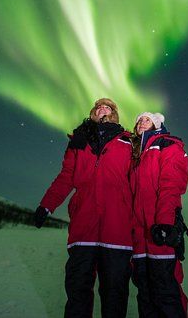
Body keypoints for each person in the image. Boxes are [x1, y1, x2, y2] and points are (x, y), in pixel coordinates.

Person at [34, 98, 134, 318]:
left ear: (115, 114)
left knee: (115, 291)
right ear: (92, 114)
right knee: (78, 288)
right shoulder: (79, 141)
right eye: (98, 107)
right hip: (83, 228)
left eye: (107, 107)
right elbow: (67, 176)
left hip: (117, 230)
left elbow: (140, 180)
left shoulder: (129, 142)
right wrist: (46, 205)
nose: (102, 109)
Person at [130, 112, 188, 318]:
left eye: (146, 119)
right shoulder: (137, 154)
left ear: (157, 124)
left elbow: (171, 185)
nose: (141, 122)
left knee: (165, 289)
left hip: (159, 229)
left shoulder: (167, 145)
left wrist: (165, 223)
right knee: (144, 292)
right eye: (139, 120)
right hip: (139, 235)